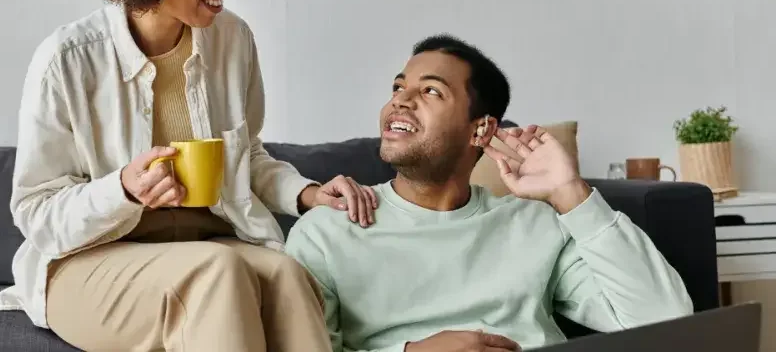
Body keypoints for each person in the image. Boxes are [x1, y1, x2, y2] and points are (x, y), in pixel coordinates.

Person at [0, 0, 377, 352]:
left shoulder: (233, 41)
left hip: (205, 246)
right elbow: (37, 213)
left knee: (287, 276)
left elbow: (249, 158)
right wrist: (123, 189)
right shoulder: (67, 61)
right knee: (219, 271)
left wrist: (306, 194)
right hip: (89, 262)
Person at [285, 34, 694, 352]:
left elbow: (665, 320)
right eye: (398, 86)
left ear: (480, 129)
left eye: (430, 91)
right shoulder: (327, 229)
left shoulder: (533, 223)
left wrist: (571, 193)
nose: (400, 101)